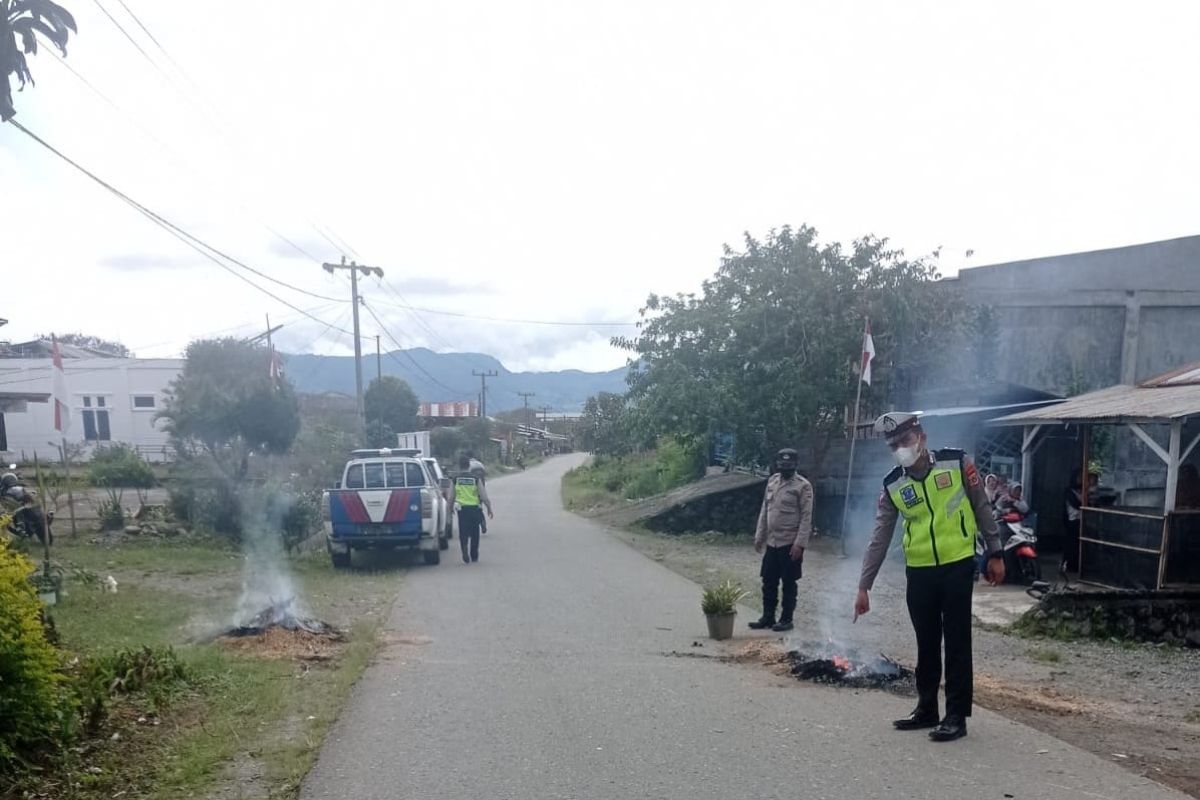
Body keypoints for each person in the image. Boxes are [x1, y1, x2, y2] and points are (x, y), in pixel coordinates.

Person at [854, 412, 1004, 743]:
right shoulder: (894, 484)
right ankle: (926, 708)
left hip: (957, 564)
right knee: (926, 641)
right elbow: (879, 536)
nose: (900, 449)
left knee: (957, 641)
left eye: (904, 441)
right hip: (919, 571)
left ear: (921, 436)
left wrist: (994, 552)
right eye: (893, 445)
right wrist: (864, 585)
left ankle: (955, 715)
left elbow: (981, 506)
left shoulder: (956, 462)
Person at [748, 448, 813, 633]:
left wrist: (800, 544)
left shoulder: (803, 486)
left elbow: (806, 517)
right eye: (782, 465)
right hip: (772, 541)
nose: (785, 468)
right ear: (778, 465)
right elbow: (765, 510)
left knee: (789, 582)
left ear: (795, 465)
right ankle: (768, 617)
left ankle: (786, 619)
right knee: (768, 580)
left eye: (789, 465)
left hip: (789, 542)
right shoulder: (772, 481)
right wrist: (759, 535)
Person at [453, 455, 493, 563]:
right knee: (475, 533)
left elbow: (451, 496)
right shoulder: (475, 479)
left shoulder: (456, 479)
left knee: (463, 532)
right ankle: (474, 554)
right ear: (469, 465)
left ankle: (464, 549)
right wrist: (489, 508)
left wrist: (449, 508)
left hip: (462, 510)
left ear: (459, 466)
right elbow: (483, 496)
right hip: (474, 509)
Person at [466, 452, 488, 533]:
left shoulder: (467, 465)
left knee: (469, 509)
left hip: (470, 491)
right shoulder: (480, 464)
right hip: (480, 488)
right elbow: (484, 476)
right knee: (479, 507)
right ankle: (482, 521)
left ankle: (471, 527)